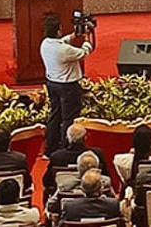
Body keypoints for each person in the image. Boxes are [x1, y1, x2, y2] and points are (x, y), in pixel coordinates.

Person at [41, 12, 94, 156]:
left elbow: (62, 41)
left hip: (52, 84)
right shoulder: (64, 50)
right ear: (58, 30)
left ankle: (50, 147)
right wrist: (87, 38)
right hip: (68, 87)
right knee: (68, 118)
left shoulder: (45, 43)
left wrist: (74, 35)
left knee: (55, 115)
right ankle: (66, 148)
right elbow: (85, 51)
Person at [43, 124, 110, 191]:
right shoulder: (97, 154)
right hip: (93, 191)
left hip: (65, 192)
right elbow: (105, 175)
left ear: (68, 138)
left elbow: (47, 181)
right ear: (85, 138)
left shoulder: (57, 156)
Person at [47, 151, 115, 214]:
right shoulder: (105, 183)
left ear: (78, 168)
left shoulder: (64, 185)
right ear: (97, 168)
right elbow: (113, 199)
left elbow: (51, 206)